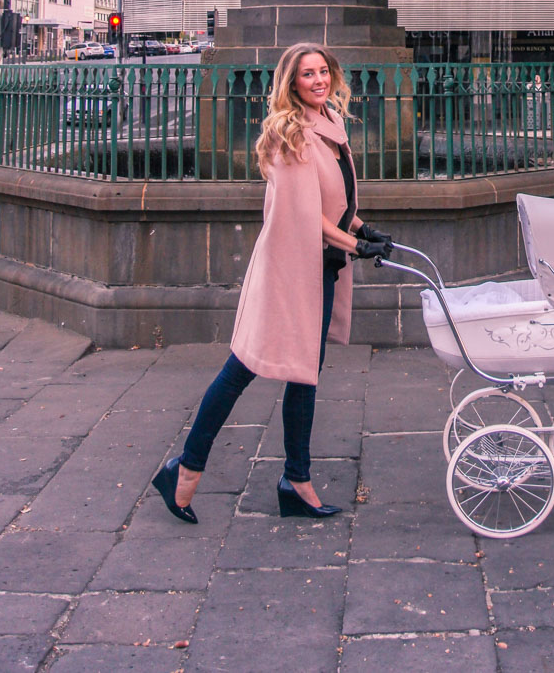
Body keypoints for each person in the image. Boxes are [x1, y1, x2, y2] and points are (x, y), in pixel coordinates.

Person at [151, 42, 393, 522]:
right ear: (292, 83)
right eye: (308, 74)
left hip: (318, 266)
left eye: (324, 71)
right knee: (243, 368)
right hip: (289, 270)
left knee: (305, 371)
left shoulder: (329, 126)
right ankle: (185, 468)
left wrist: (362, 228)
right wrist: (354, 244)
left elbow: (332, 201)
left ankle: (296, 481)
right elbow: (305, 215)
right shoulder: (292, 136)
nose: (319, 80)